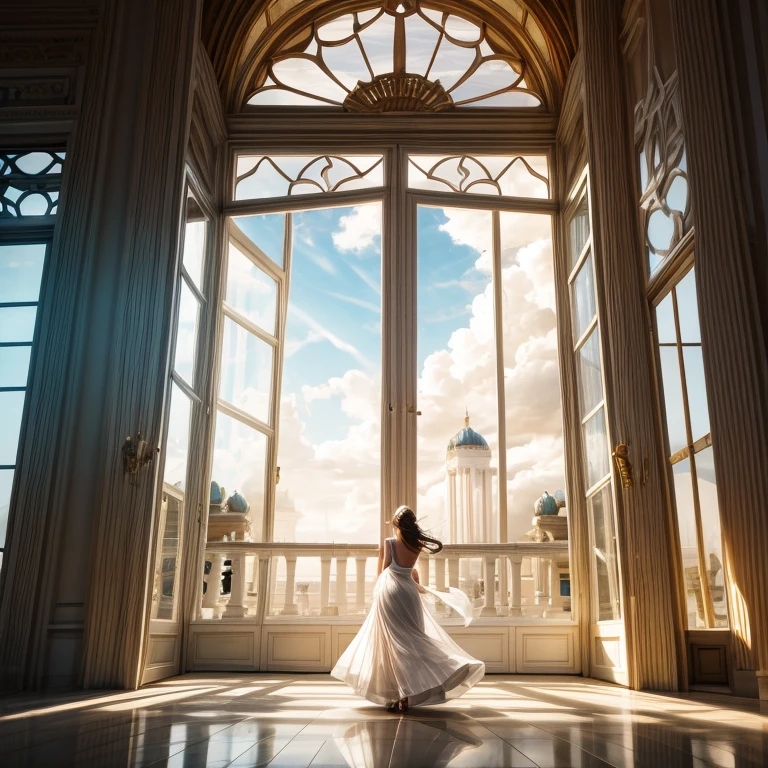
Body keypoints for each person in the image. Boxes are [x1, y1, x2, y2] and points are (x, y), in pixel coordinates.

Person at [331, 505, 485, 713]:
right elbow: (412, 572)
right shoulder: (418, 544)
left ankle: (397, 695)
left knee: (394, 644)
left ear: (396, 523)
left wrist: (378, 596)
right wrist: (416, 585)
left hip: (391, 592)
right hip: (409, 593)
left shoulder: (389, 543)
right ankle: (410, 693)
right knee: (413, 639)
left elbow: (385, 570)